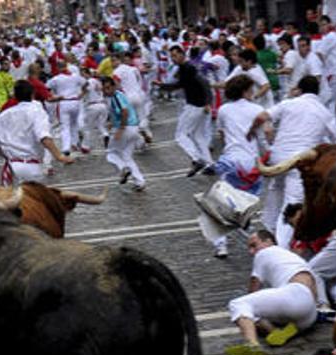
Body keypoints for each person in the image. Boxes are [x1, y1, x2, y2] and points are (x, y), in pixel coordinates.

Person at [251, 75, 336, 239]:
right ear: (318, 92)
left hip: (278, 157)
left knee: (276, 189)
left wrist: (251, 132)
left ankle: (267, 228)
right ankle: (282, 243)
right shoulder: (323, 112)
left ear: (300, 90)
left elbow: (261, 117)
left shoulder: (289, 103)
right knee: (292, 203)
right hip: (300, 162)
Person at [225, 230, 320, 355]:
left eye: (254, 245)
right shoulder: (289, 257)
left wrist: (244, 314)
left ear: (268, 241)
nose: (251, 252)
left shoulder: (265, 253)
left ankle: (252, 345)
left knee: (239, 305)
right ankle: (277, 332)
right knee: (255, 312)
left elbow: (254, 286)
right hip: (309, 316)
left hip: (295, 295)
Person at [209, 75, 267, 258]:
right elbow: (263, 138)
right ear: (245, 91)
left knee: (222, 202)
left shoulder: (224, 109)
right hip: (252, 162)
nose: (253, 93)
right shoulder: (257, 109)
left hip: (231, 160)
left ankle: (221, 244)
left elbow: (222, 132)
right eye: (251, 90)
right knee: (248, 201)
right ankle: (254, 238)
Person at [0, 80, 73, 185]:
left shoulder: (3, 116)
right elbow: (44, 137)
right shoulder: (37, 111)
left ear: (15, 95)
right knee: (35, 199)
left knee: (10, 199)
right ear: (33, 94)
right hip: (32, 166)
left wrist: (8, 156)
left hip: (11, 167)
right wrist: (59, 156)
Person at [157, 45, 213, 177]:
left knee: (180, 135)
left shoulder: (188, 68)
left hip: (194, 105)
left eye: (175, 56)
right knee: (197, 135)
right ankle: (210, 164)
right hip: (198, 105)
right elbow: (181, 85)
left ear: (182, 54)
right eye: (172, 57)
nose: (173, 59)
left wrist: (208, 102)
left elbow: (203, 83)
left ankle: (197, 159)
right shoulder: (185, 68)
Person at [102, 76, 146, 191]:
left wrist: (120, 128)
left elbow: (124, 111)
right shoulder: (118, 95)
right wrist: (112, 122)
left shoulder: (116, 96)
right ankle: (140, 181)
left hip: (126, 128)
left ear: (114, 86)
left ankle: (123, 168)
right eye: (104, 89)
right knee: (126, 156)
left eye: (108, 88)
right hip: (134, 128)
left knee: (111, 154)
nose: (106, 91)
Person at [46, 59, 87, 157]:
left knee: (65, 126)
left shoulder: (56, 79)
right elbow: (86, 84)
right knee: (74, 124)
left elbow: (46, 88)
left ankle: (66, 147)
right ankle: (74, 143)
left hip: (64, 102)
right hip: (75, 101)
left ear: (58, 67)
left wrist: (53, 96)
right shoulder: (75, 77)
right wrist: (81, 94)